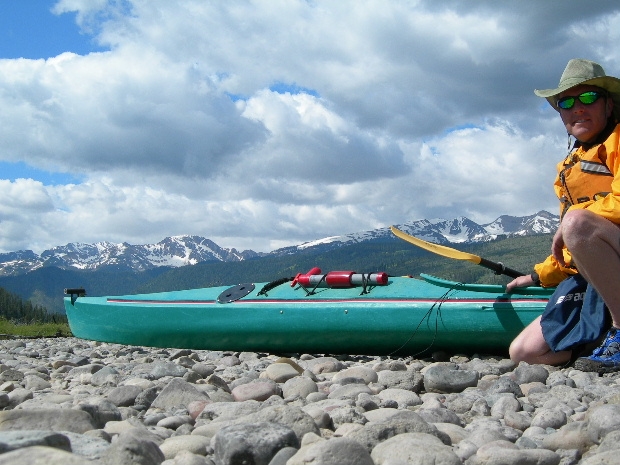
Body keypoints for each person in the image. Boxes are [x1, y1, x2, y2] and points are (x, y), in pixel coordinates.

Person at [507, 58, 620, 373]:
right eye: (566, 102)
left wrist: (579, 218)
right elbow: (572, 244)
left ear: (609, 106)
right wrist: (539, 275)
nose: (577, 108)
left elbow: (580, 225)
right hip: (598, 266)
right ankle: (597, 345)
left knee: (576, 221)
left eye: (588, 98)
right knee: (524, 352)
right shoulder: (569, 167)